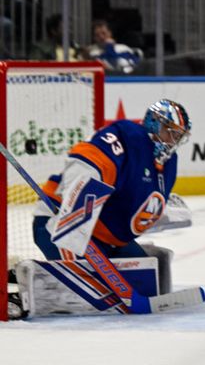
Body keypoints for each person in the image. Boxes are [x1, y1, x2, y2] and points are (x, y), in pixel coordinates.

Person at [24, 100, 193, 316]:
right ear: (154, 124)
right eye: (171, 132)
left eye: (179, 136)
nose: (174, 140)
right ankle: (21, 279)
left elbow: (142, 201)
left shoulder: (168, 163)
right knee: (89, 293)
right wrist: (74, 217)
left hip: (106, 237)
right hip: (60, 223)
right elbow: (91, 160)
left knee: (146, 283)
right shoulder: (128, 136)